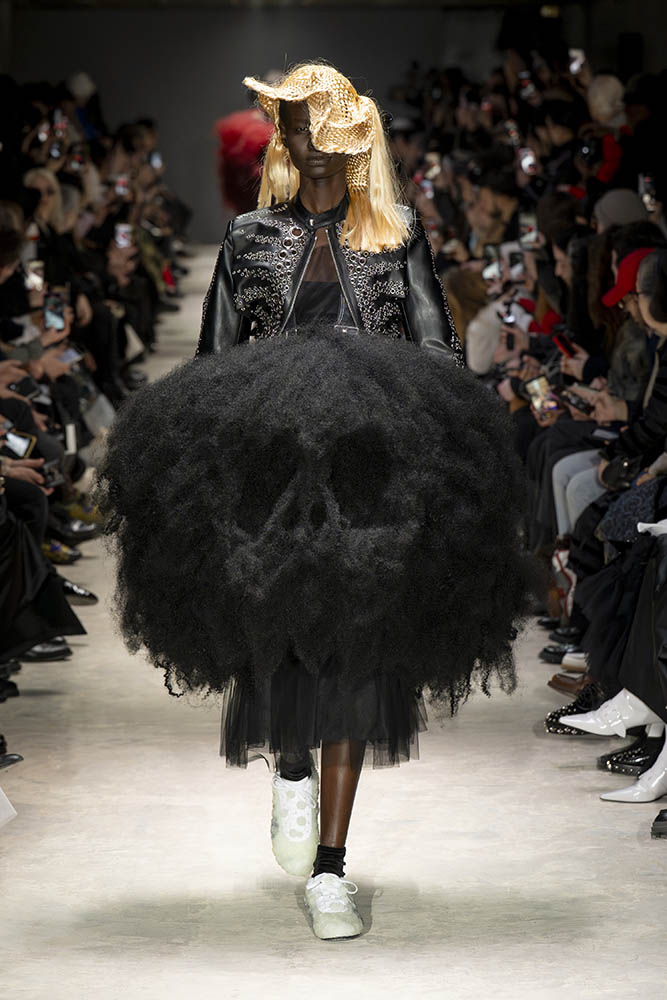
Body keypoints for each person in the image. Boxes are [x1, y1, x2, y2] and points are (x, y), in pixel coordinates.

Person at [101, 64, 533, 942]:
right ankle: (291, 764)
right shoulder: (249, 235)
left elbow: (436, 348)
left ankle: (332, 869)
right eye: (293, 125)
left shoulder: (397, 233)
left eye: (319, 123)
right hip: (270, 470)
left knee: (357, 664)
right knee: (284, 649)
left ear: (351, 134)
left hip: (370, 472)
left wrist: (423, 431)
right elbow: (216, 358)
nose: (306, 140)